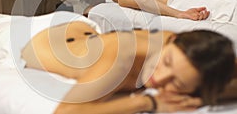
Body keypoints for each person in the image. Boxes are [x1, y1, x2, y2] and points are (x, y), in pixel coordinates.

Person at [21, 21, 236, 114]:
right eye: (167, 61)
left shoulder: (185, 52)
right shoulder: (121, 59)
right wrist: (148, 101)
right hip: (46, 43)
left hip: (90, 36)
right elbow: (66, 112)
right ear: (172, 40)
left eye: (177, 83)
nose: (159, 79)